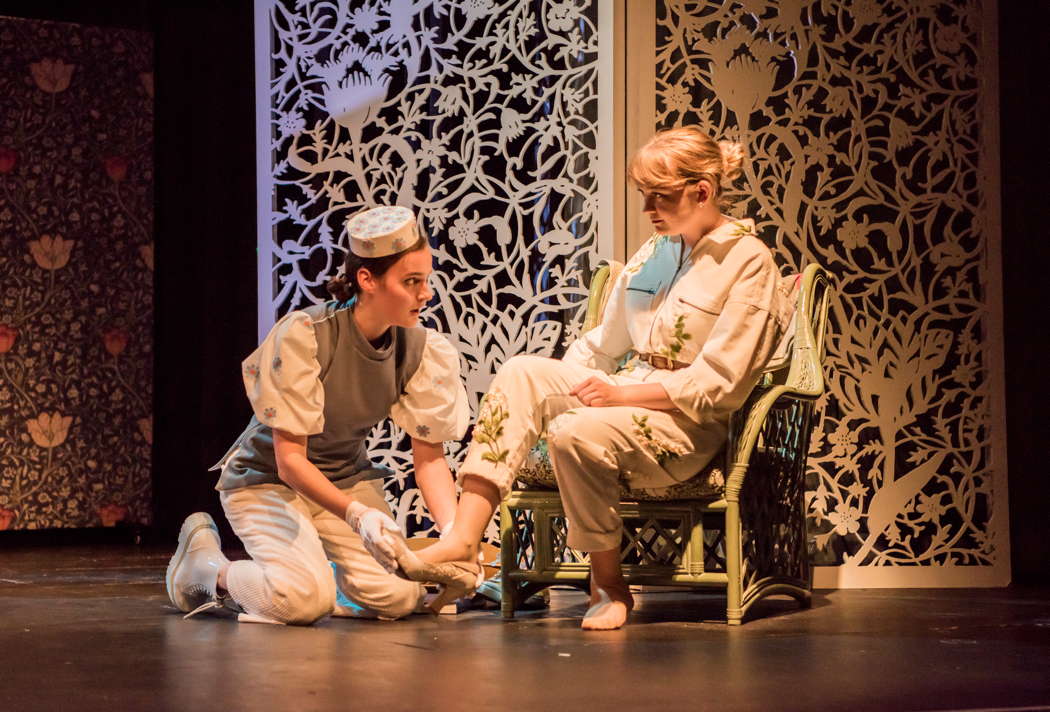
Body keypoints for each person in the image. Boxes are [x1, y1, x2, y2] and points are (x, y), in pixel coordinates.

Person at [394, 126, 793, 630]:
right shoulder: (657, 251)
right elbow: (604, 344)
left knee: (574, 430)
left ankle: (607, 583)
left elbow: (721, 383)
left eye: (660, 195)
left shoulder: (747, 261)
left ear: (703, 191)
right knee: (521, 373)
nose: (648, 206)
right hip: (627, 396)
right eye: (643, 194)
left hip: (687, 425)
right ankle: (466, 540)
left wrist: (618, 395)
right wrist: (552, 393)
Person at [165, 206, 473, 624]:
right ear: (367, 280)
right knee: (301, 601)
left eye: (426, 280)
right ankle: (207, 570)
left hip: (344, 478)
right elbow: (290, 463)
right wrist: (358, 515)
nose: (426, 293)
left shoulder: (419, 349)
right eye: (411, 282)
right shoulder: (307, 335)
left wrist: (458, 537)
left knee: (399, 597)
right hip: (267, 481)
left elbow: (430, 459)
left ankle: (326, 579)